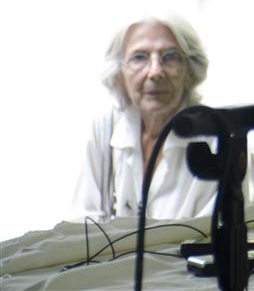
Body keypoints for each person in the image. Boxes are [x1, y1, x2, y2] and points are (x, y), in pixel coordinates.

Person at [72, 14, 218, 221]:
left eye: (170, 56)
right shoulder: (105, 128)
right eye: (139, 57)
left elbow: (210, 240)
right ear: (119, 76)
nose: (155, 72)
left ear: (190, 72)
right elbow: (82, 222)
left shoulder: (215, 138)